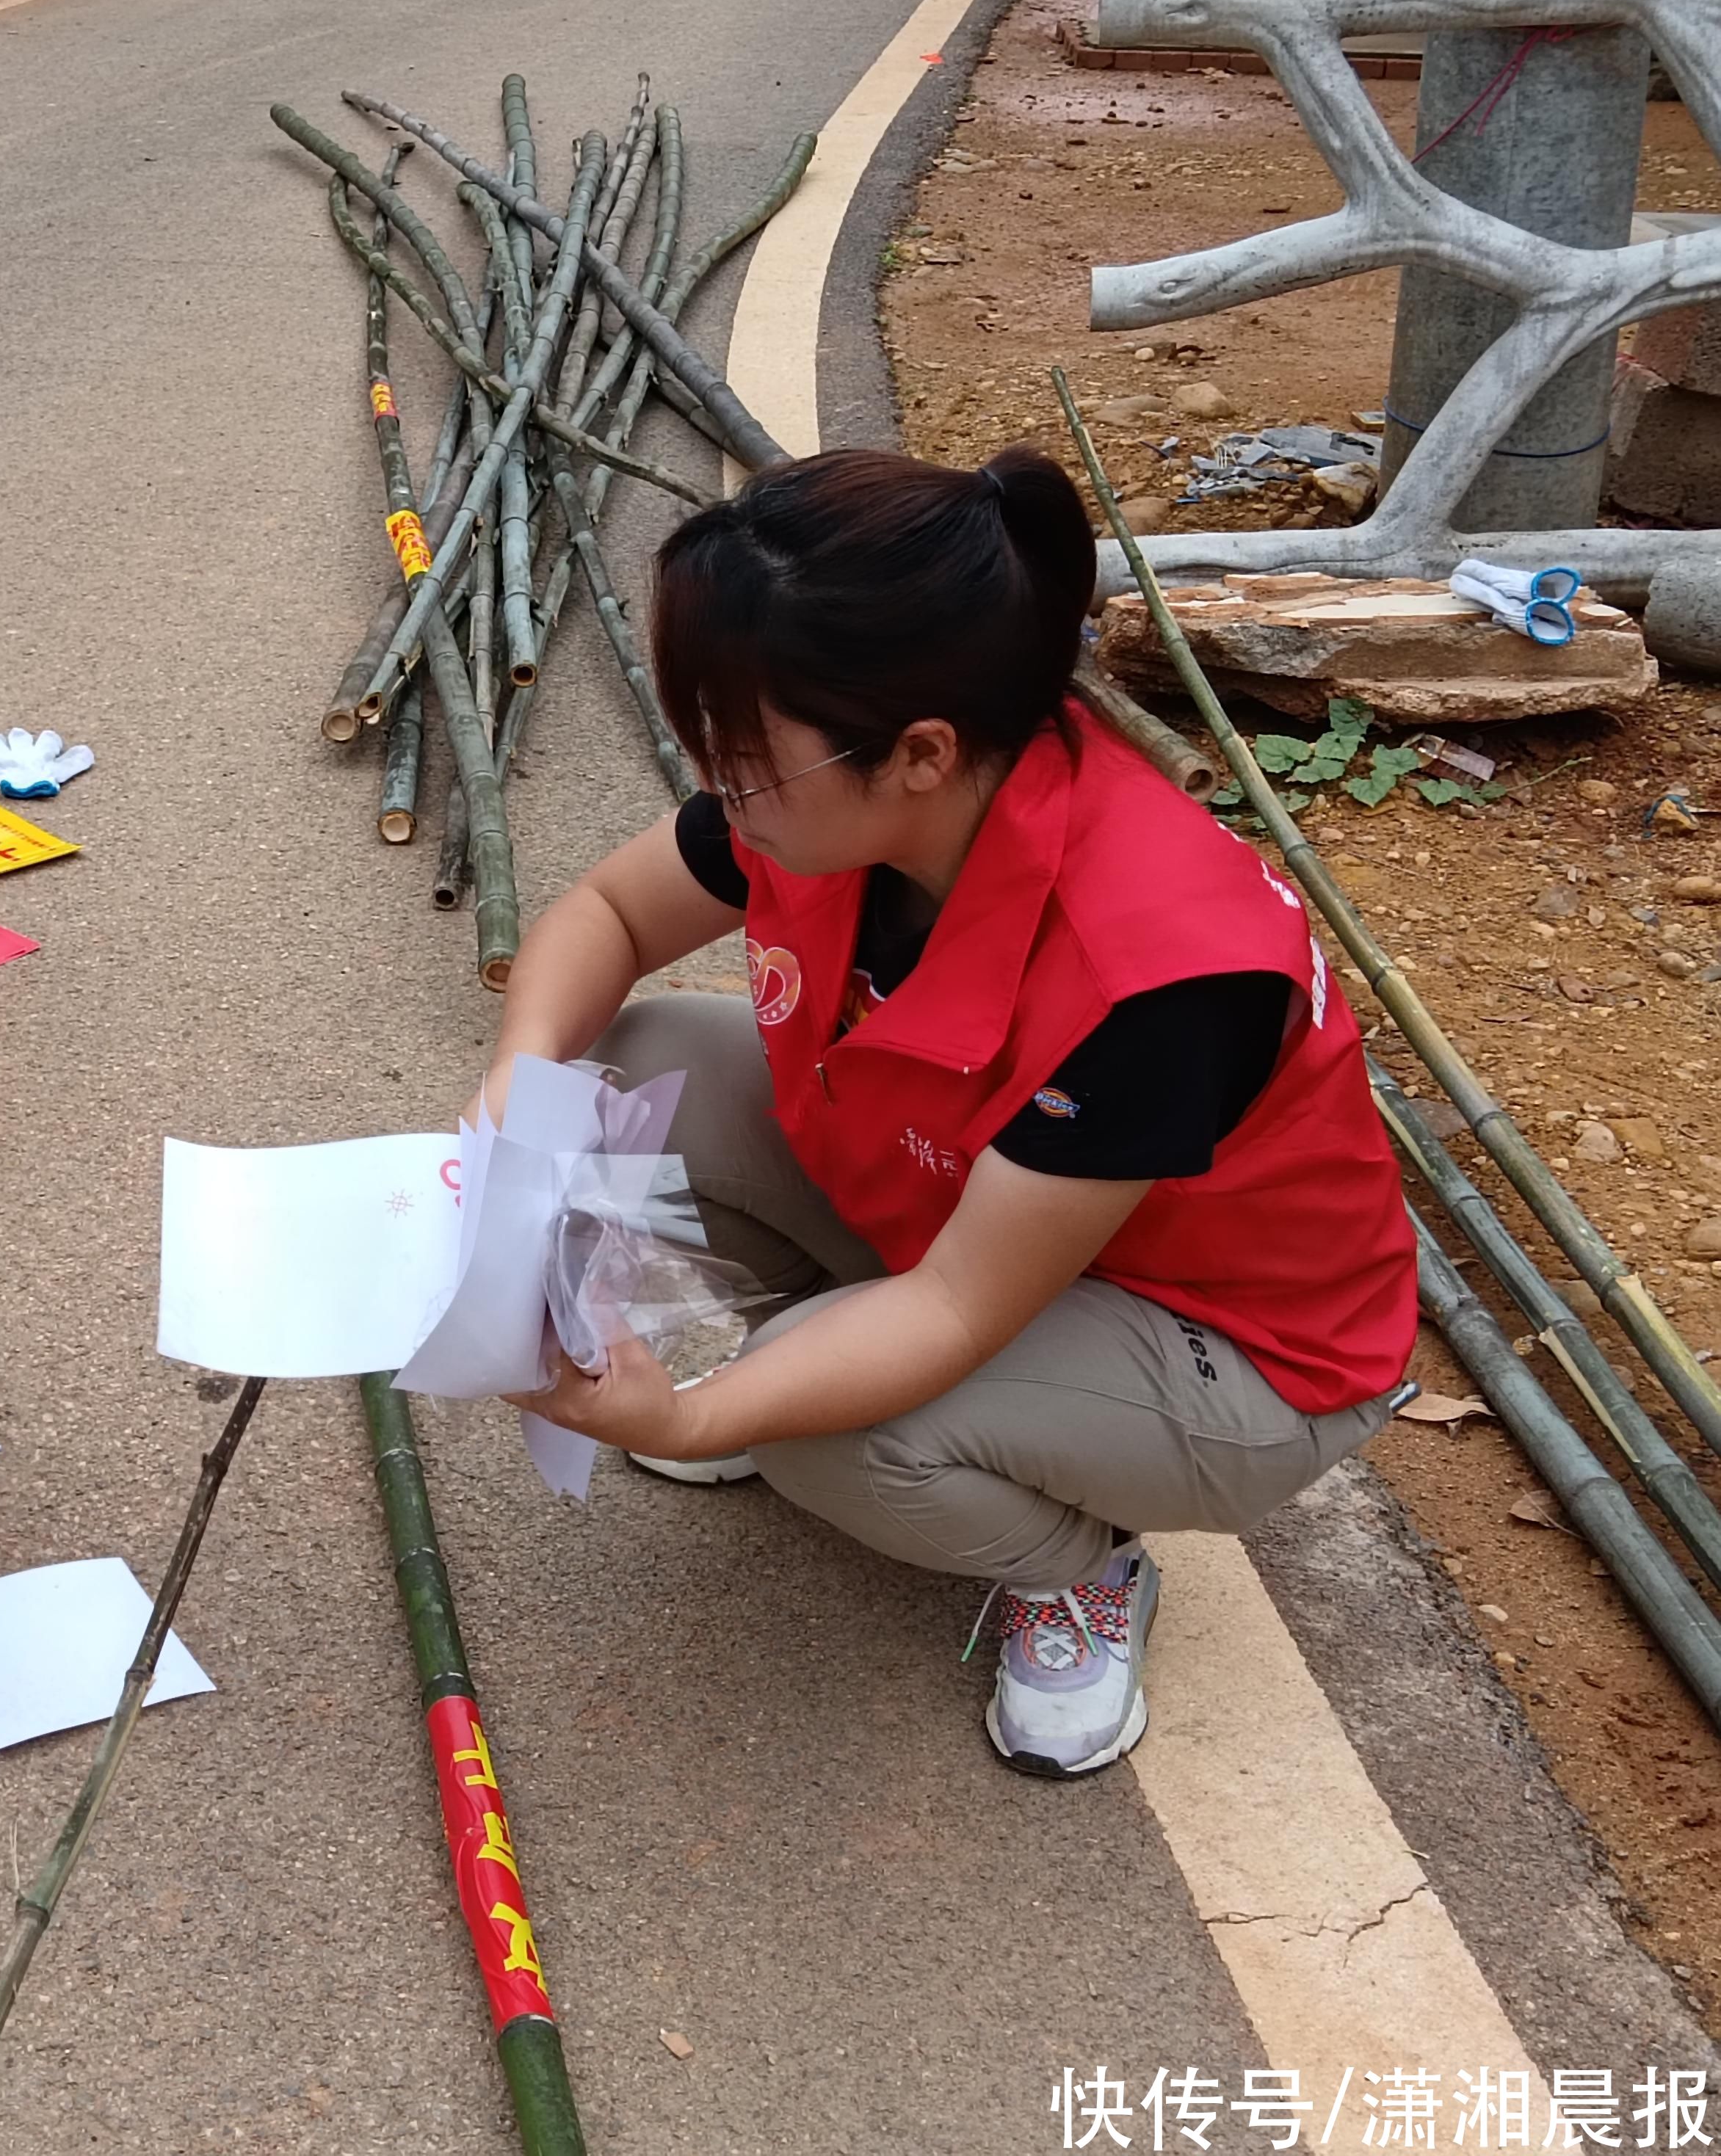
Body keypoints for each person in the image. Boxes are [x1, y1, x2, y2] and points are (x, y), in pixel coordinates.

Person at [485, 447, 1416, 1780]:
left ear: (918, 753)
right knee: (613, 1065)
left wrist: (700, 1413)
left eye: (742, 762)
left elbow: (955, 1311)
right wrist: (525, 1067)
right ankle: (827, 1368)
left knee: (823, 1430)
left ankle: (1079, 1567)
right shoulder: (869, 790)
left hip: (1232, 1343)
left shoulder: (1156, 975)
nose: (715, 789)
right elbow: (613, 915)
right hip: (996, 1206)